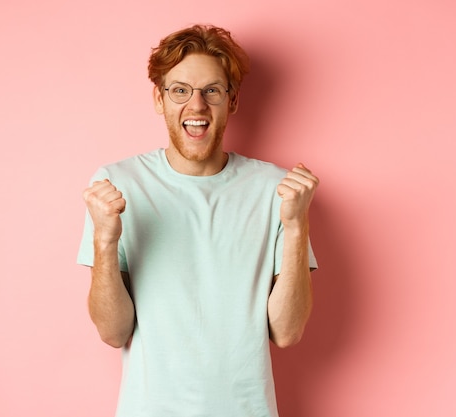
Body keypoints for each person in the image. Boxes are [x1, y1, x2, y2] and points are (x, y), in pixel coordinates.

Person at [77, 24, 319, 417]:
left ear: (232, 101)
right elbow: (113, 332)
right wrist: (105, 240)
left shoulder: (277, 189)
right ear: (160, 98)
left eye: (212, 90)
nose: (197, 106)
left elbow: (286, 332)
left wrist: (296, 225)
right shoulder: (117, 184)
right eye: (180, 90)